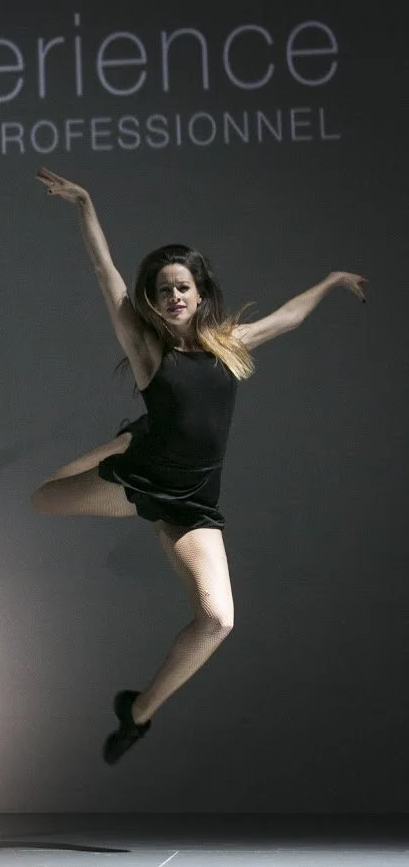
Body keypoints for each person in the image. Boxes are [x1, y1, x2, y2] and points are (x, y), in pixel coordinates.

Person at [30, 167, 368, 764]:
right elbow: (106, 276)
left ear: (200, 291)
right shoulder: (148, 352)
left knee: (216, 621)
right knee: (42, 498)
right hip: (140, 481)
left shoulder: (229, 344)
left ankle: (136, 714)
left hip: (190, 504)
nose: (174, 297)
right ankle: (127, 444)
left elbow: (287, 318)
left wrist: (332, 281)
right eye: (163, 290)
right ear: (152, 303)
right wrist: (85, 204)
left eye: (182, 286)